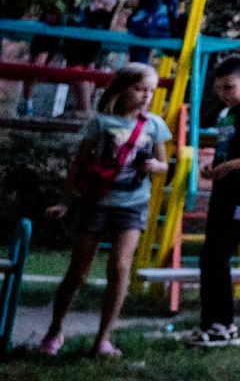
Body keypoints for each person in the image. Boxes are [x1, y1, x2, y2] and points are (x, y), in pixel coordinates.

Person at [39, 63, 171, 357]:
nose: (146, 96)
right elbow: (78, 164)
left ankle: (103, 338)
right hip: (95, 202)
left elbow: (164, 165)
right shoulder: (100, 122)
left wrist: (155, 166)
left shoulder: (155, 125)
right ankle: (55, 328)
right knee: (78, 273)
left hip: (133, 204)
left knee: (120, 267)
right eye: (139, 89)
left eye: (151, 91)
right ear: (122, 89)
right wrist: (64, 200)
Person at [185, 58, 240, 347]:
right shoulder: (228, 112)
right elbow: (226, 148)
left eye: (229, 87)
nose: (224, 94)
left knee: (217, 254)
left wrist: (233, 167)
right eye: (219, 89)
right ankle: (213, 323)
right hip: (223, 187)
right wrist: (214, 168)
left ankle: (223, 325)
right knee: (209, 255)